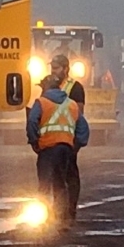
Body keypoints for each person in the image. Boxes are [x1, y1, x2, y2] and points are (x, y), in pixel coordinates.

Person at [26, 72, 89, 225]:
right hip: (66, 149)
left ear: (46, 88)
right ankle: (63, 218)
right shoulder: (71, 104)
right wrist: (76, 145)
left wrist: (34, 141)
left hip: (47, 148)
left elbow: (32, 122)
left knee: (44, 184)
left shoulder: (41, 102)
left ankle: (44, 219)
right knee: (60, 183)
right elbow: (84, 128)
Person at [49, 52, 86, 220]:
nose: (53, 71)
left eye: (56, 68)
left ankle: (70, 210)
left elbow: (79, 114)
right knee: (56, 175)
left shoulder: (75, 88)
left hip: (69, 138)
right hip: (52, 138)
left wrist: (77, 139)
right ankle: (58, 209)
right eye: (52, 67)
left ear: (65, 69)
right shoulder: (48, 86)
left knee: (70, 173)